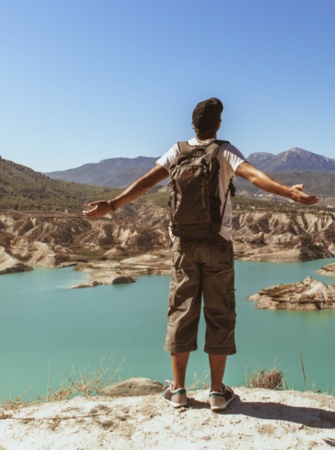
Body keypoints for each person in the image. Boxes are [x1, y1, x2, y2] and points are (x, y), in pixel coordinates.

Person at [83, 97, 319, 411]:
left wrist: (111, 205)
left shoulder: (177, 151)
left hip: (182, 246)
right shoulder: (224, 151)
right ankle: (217, 393)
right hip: (218, 245)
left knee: (181, 312)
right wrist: (290, 192)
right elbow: (255, 177)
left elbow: (145, 182)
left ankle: (178, 391)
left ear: (192, 125)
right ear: (218, 124)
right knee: (219, 314)